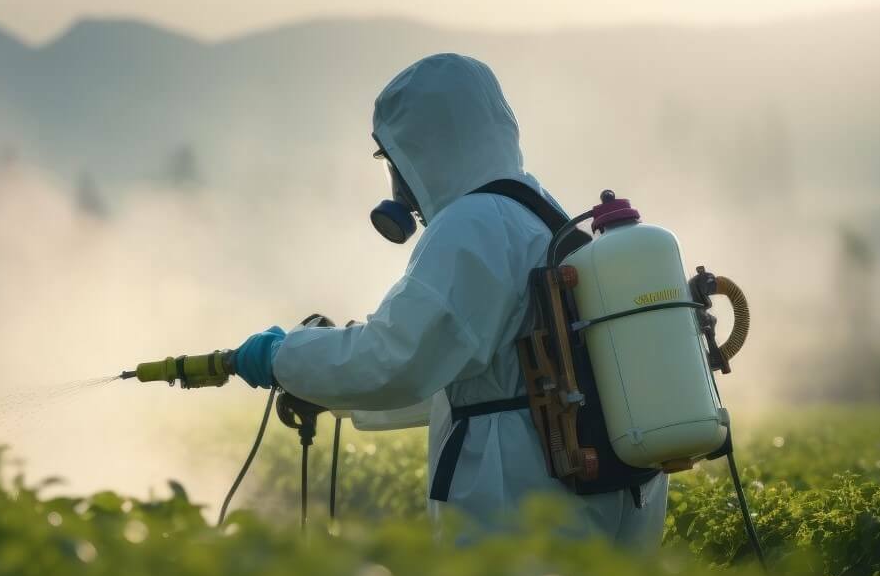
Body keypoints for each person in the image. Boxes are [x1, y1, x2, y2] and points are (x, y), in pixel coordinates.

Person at [231, 53, 667, 548]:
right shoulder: (539, 212)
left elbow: (397, 358)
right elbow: (469, 375)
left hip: (522, 496)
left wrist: (283, 354)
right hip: (602, 490)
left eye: (391, 157)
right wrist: (331, 391)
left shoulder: (472, 225)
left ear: (419, 148)